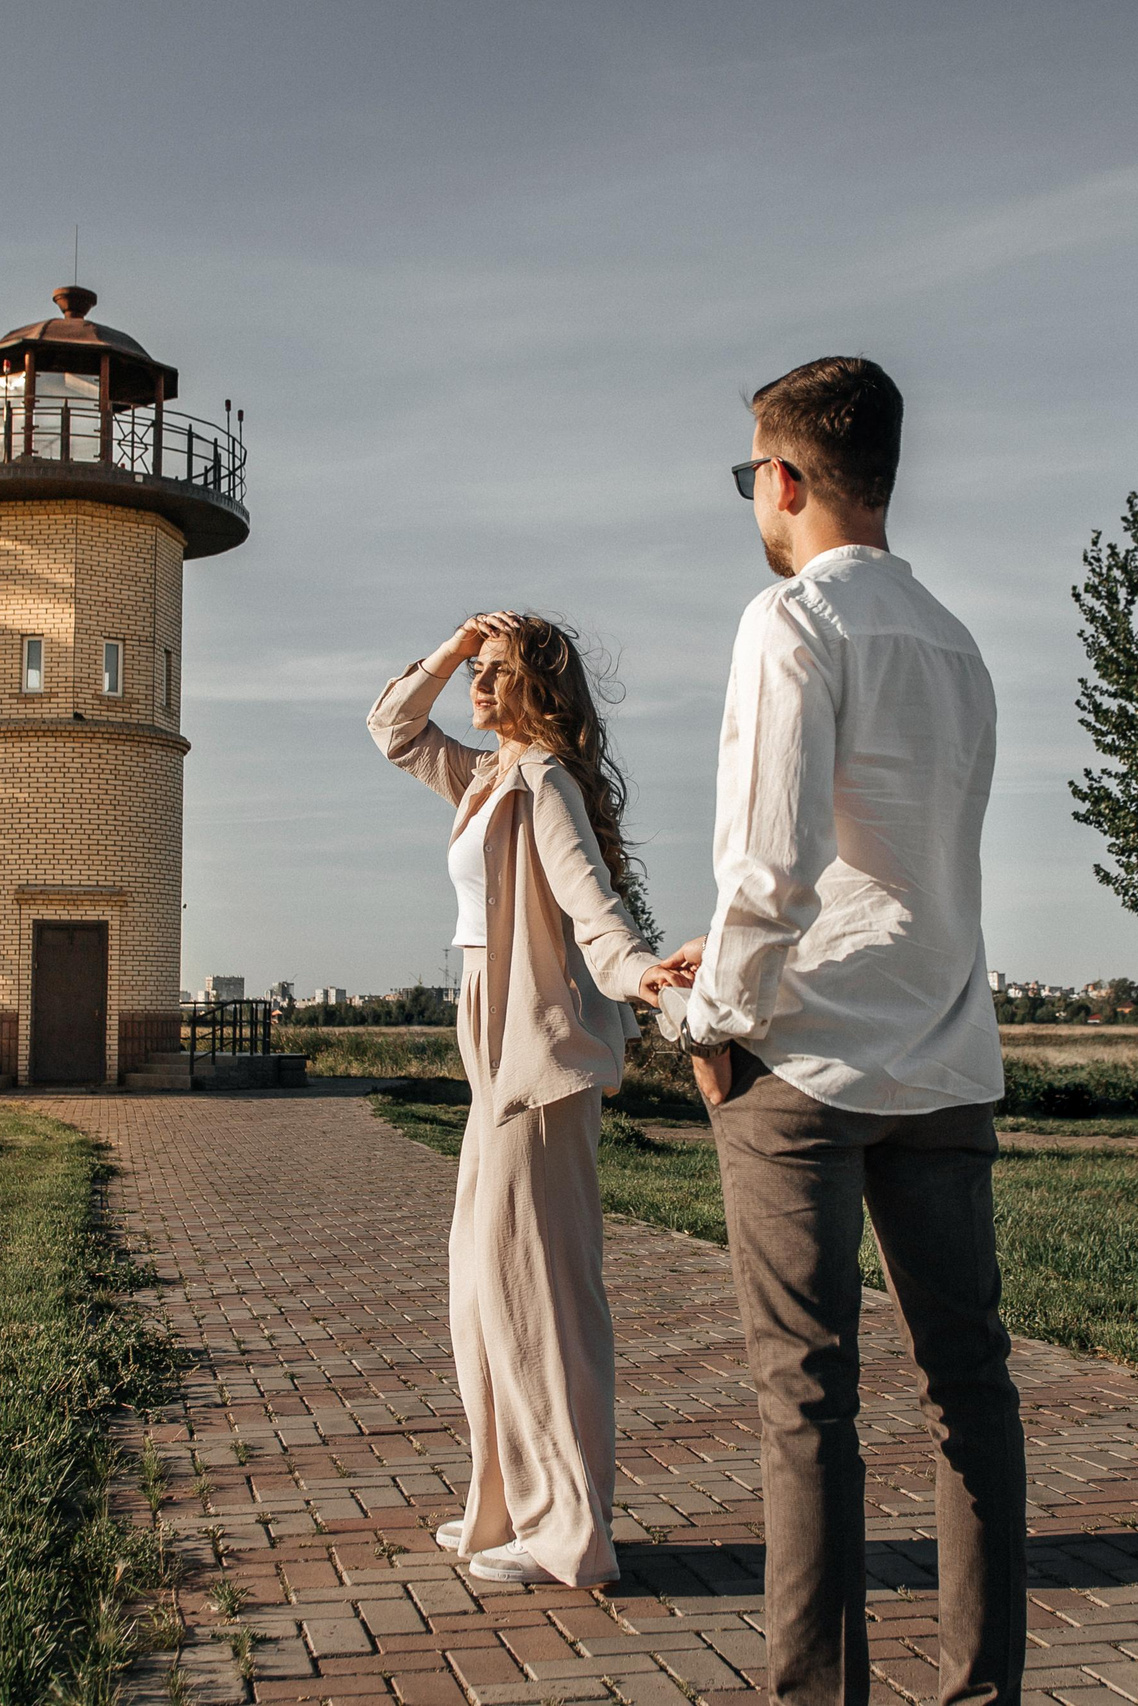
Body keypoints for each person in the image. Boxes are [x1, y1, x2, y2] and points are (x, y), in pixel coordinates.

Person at [660, 358, 1027, 1704]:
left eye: (750, 477)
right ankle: (980, 1687)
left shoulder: (789, 619)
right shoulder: (952, 637)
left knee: (807, 1402)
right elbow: (908, 866)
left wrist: (710, 1013)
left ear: (783, 477)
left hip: (802, 1060)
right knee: (968, 1392)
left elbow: (773, 866)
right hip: (940, 1047)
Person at [367, 611, 683, 1588]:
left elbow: (592, 907)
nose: (479, 685)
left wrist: (641, 974)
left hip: (536, 1059)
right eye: (479, 670)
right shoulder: (483, 777)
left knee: (539, 1298)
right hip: (489, 1058)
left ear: (542, 688)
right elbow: (390, 725)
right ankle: (510, 1507)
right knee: (482, 1293)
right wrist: (453, 645)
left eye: (499, 671)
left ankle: (569, 1532)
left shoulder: (542, 779)